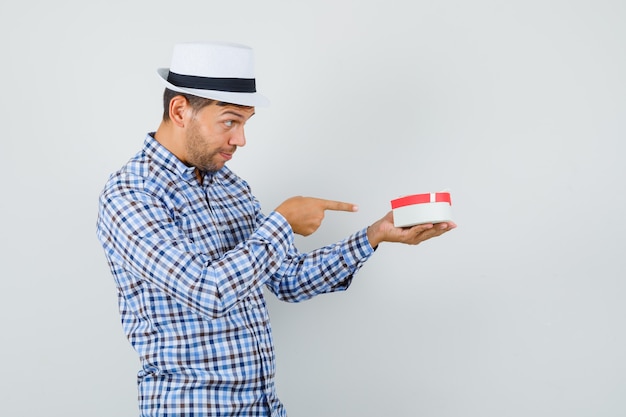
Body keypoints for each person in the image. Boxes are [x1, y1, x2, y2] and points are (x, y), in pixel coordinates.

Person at [96, 41, 456, 417]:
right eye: (230, 121)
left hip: (262, 407)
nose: (240, 140)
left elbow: (288, 280)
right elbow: (208, 292)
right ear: (180, 110)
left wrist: (374, 235)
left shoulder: (229, 186)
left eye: (245, 122)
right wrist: (281, 222)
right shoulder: (130, 194)